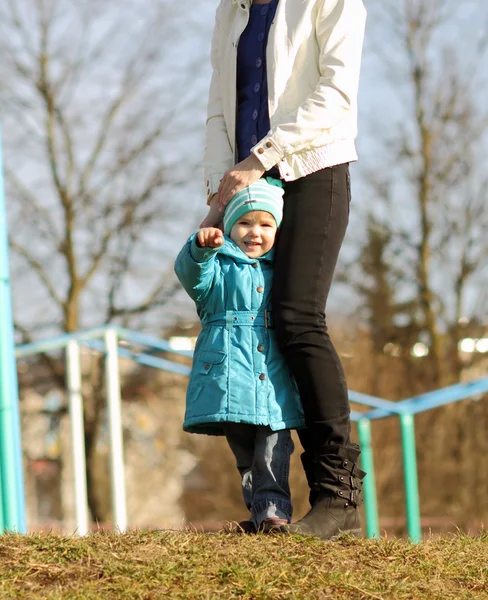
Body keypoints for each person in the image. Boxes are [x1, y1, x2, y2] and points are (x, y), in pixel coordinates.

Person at [199, 0, 367, 539]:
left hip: (312, 167)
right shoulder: (232, 11)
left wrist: (258, 159)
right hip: (250, 186)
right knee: (253, 327)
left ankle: (338, 497)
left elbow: (336, 97)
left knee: (297, 317)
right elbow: (220, 110)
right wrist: (216, 192)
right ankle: (269, 506)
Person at [175, 179, 305, 533]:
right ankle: (261, 511)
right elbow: (192, 277)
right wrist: (200, 249)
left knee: (274, 447)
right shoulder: (219, 265)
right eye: (245, 223)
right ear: (230, 226)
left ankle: (274, 510)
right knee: (246, 453)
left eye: (266, 224)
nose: (255, 233)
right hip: (228, 376)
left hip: (271, 374)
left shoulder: (284, 268)